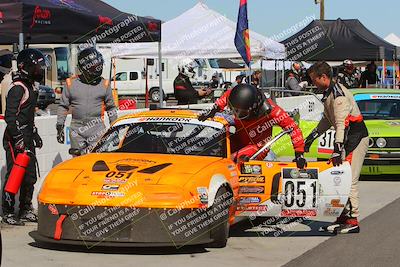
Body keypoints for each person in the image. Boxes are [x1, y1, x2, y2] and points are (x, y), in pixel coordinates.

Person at [305, 61, 369, 234]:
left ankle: (353, 220)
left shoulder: (338, 95)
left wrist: (336, 148)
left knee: (350, 179)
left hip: (356, 137)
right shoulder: (329, 92)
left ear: (323, 77)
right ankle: (342, 217)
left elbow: (341, 124)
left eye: (313, 80)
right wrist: (312, 136)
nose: (312, 83)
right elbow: (327, 119)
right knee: (340, 177)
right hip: (347, 137)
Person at [198, 84, 306, 169]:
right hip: (240, 136)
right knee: (213, 151)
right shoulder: (235, 95)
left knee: (229, 161)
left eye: (240, 112)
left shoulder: (274, 112)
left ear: (253, 109)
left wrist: (299, 154)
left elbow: (293, 128)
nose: (236, 114)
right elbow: (226, 97)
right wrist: (214, 110)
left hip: (257, 147)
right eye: (234, 110)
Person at [2, 48, 47, 225]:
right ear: (26, 67)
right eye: (38, 68)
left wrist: (34, 133)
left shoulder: (29, 86)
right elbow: (10, 117)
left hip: (27, 136)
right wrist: (18, 138)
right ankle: (7, 211)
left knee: (29, 176)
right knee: (15, 175)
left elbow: (27, 116)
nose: (40, 71)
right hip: (14, 139)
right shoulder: (17, 88)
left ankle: (25, 208)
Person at [56, 47, 117, 156]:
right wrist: (60, 125)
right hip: (77, 129)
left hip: (97, 128)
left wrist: (115, 128)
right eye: (94, 66)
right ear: (84, 67)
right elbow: (63, 106)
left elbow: (111, 108)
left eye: (99, 65)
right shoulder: (70, 83)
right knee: (78, 163)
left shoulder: (105, 84)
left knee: (98, 162)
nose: (98, 68)